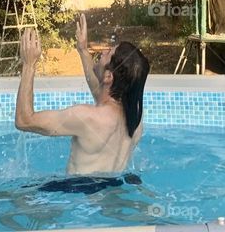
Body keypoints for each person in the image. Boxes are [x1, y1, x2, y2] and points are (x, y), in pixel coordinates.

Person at [14, 13, 150, 186]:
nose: (103, 50)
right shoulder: (135, 119)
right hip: (113, 188)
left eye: (109, 52)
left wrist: (29, 64)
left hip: (78, 194)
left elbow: (24, 120)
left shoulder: (85, 116)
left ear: (109, 77)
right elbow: (102, 93)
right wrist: (83, 50)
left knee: (0, 198)